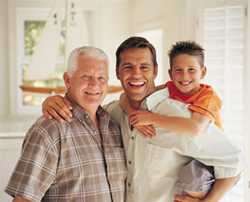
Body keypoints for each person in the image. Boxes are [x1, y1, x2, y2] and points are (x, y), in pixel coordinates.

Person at [42, 37, 242, 202]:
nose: (136, 74)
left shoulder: (178, 116)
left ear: (155, 70)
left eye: (144, 67)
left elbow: (234, 161)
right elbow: (82, 112)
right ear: (117, 73)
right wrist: (53, 100)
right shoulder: (111, 115)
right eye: (128, 67)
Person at [5, 46, 127, 202]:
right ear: (68, 80)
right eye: (86, 76)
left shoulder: (114, 126)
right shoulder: (49, 130)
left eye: (101, 78)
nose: (94, 84)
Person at [120, 41, 222, 199]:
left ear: (203, 72)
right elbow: (124, 97)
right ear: (170, 73)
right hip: (190, 158)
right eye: (178, 70)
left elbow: (195, 128)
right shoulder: (170, 89)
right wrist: (134, 115)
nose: (185, 76)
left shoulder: (208, 97)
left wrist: (152, 118)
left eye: (191, 70)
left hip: (210, 160)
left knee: (195, 179)